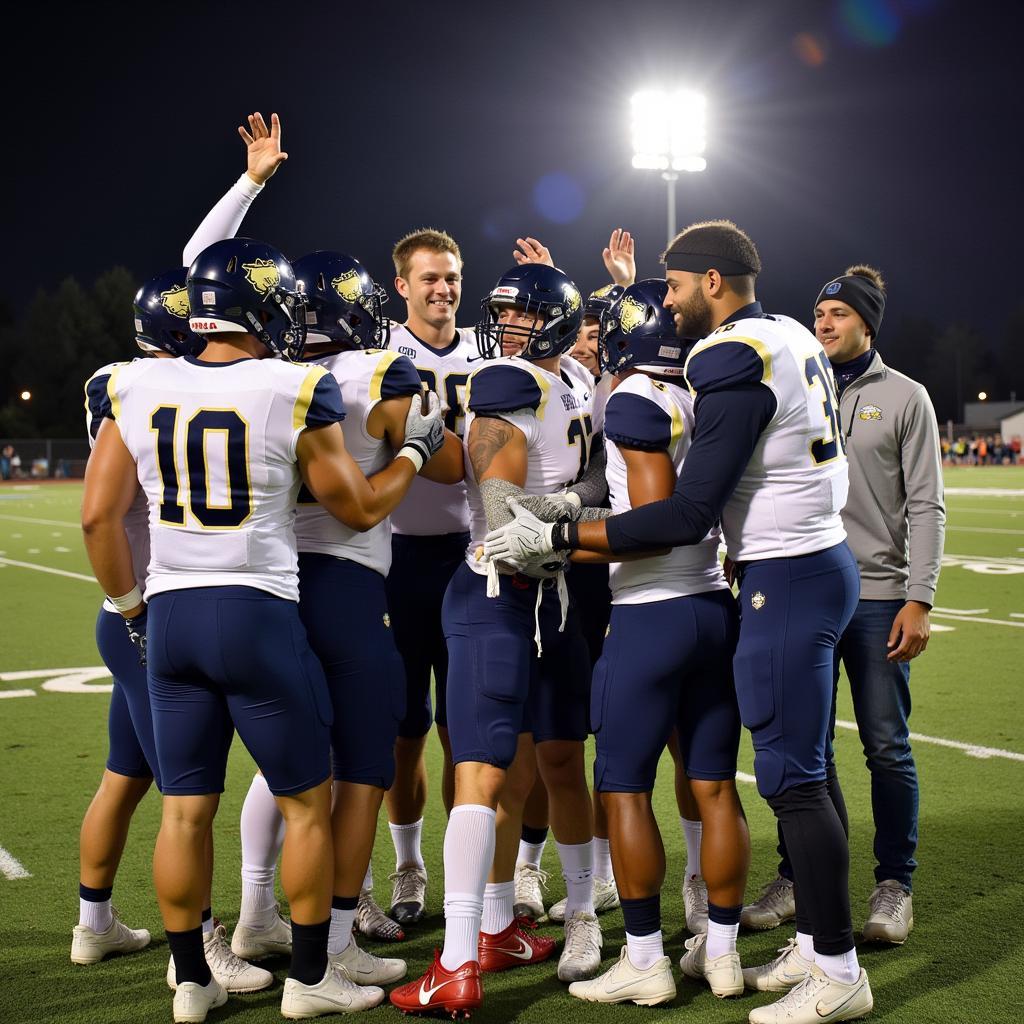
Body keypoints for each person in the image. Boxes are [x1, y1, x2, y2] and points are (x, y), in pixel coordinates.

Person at [485, 220, 875, 1024]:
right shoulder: (787, 333)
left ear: (713, 284)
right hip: (741, 593)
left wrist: (559, 533)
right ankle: (735, 951)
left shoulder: (676, 378)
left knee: (667, 785)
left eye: (675, 285)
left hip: (740, 586)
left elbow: (681, 513)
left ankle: (791, 965)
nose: (668, 301)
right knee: (746, 783)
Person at [81, 236, 446, 1023]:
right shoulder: (293, 385)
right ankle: (312, 976)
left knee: (184, 810)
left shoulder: (133, 382)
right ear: (264, 307)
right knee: (307, 803)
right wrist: (415, 449)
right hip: (256, 608)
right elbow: (354, 506)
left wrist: (130, 609)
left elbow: (96, 518)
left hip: (169, 612)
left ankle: (191, 982)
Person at [390, 263, 604, 1017]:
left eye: (520, 317)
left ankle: (458, 962)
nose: (506, 330)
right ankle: (504, 927)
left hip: (499, 596)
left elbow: (508, 520)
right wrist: (581, 502)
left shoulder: (527, 381)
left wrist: (567, 508)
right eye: (502, 315)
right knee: (529, 768)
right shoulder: (572, 378)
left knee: (505, 770)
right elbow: (585, 489)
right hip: (551, 596)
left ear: (548, 321)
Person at [538, 279, 748, 1006]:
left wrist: (560, 540)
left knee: (624, 788)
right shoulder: (707, 394)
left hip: (652, 611)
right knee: (715, 785)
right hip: (713, 609)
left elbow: (654, 525)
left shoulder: (633, 400)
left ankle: (645, 959)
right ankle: (719, 954)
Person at [743, 267, 943, 947]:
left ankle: (895, 884)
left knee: (886, 745)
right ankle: (800, 878)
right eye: (818, 312)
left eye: (836, 313)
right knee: (808, 746)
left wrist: (920, 598)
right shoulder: (804, 383)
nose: (823, 323)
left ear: (866, 322)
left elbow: (926, 505)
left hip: (880, 598)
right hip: (806, 587)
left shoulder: (906, 396)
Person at [382, 227, 478, 926]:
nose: (442, 289)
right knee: (404, 727)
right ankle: (409, 864)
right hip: (397, 557)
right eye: (429, 278)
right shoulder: (381, 350)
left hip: (473, 557)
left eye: (450, 277)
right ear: (402, 286)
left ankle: (460, 871)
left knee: (465, 730)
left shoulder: (487, 346)